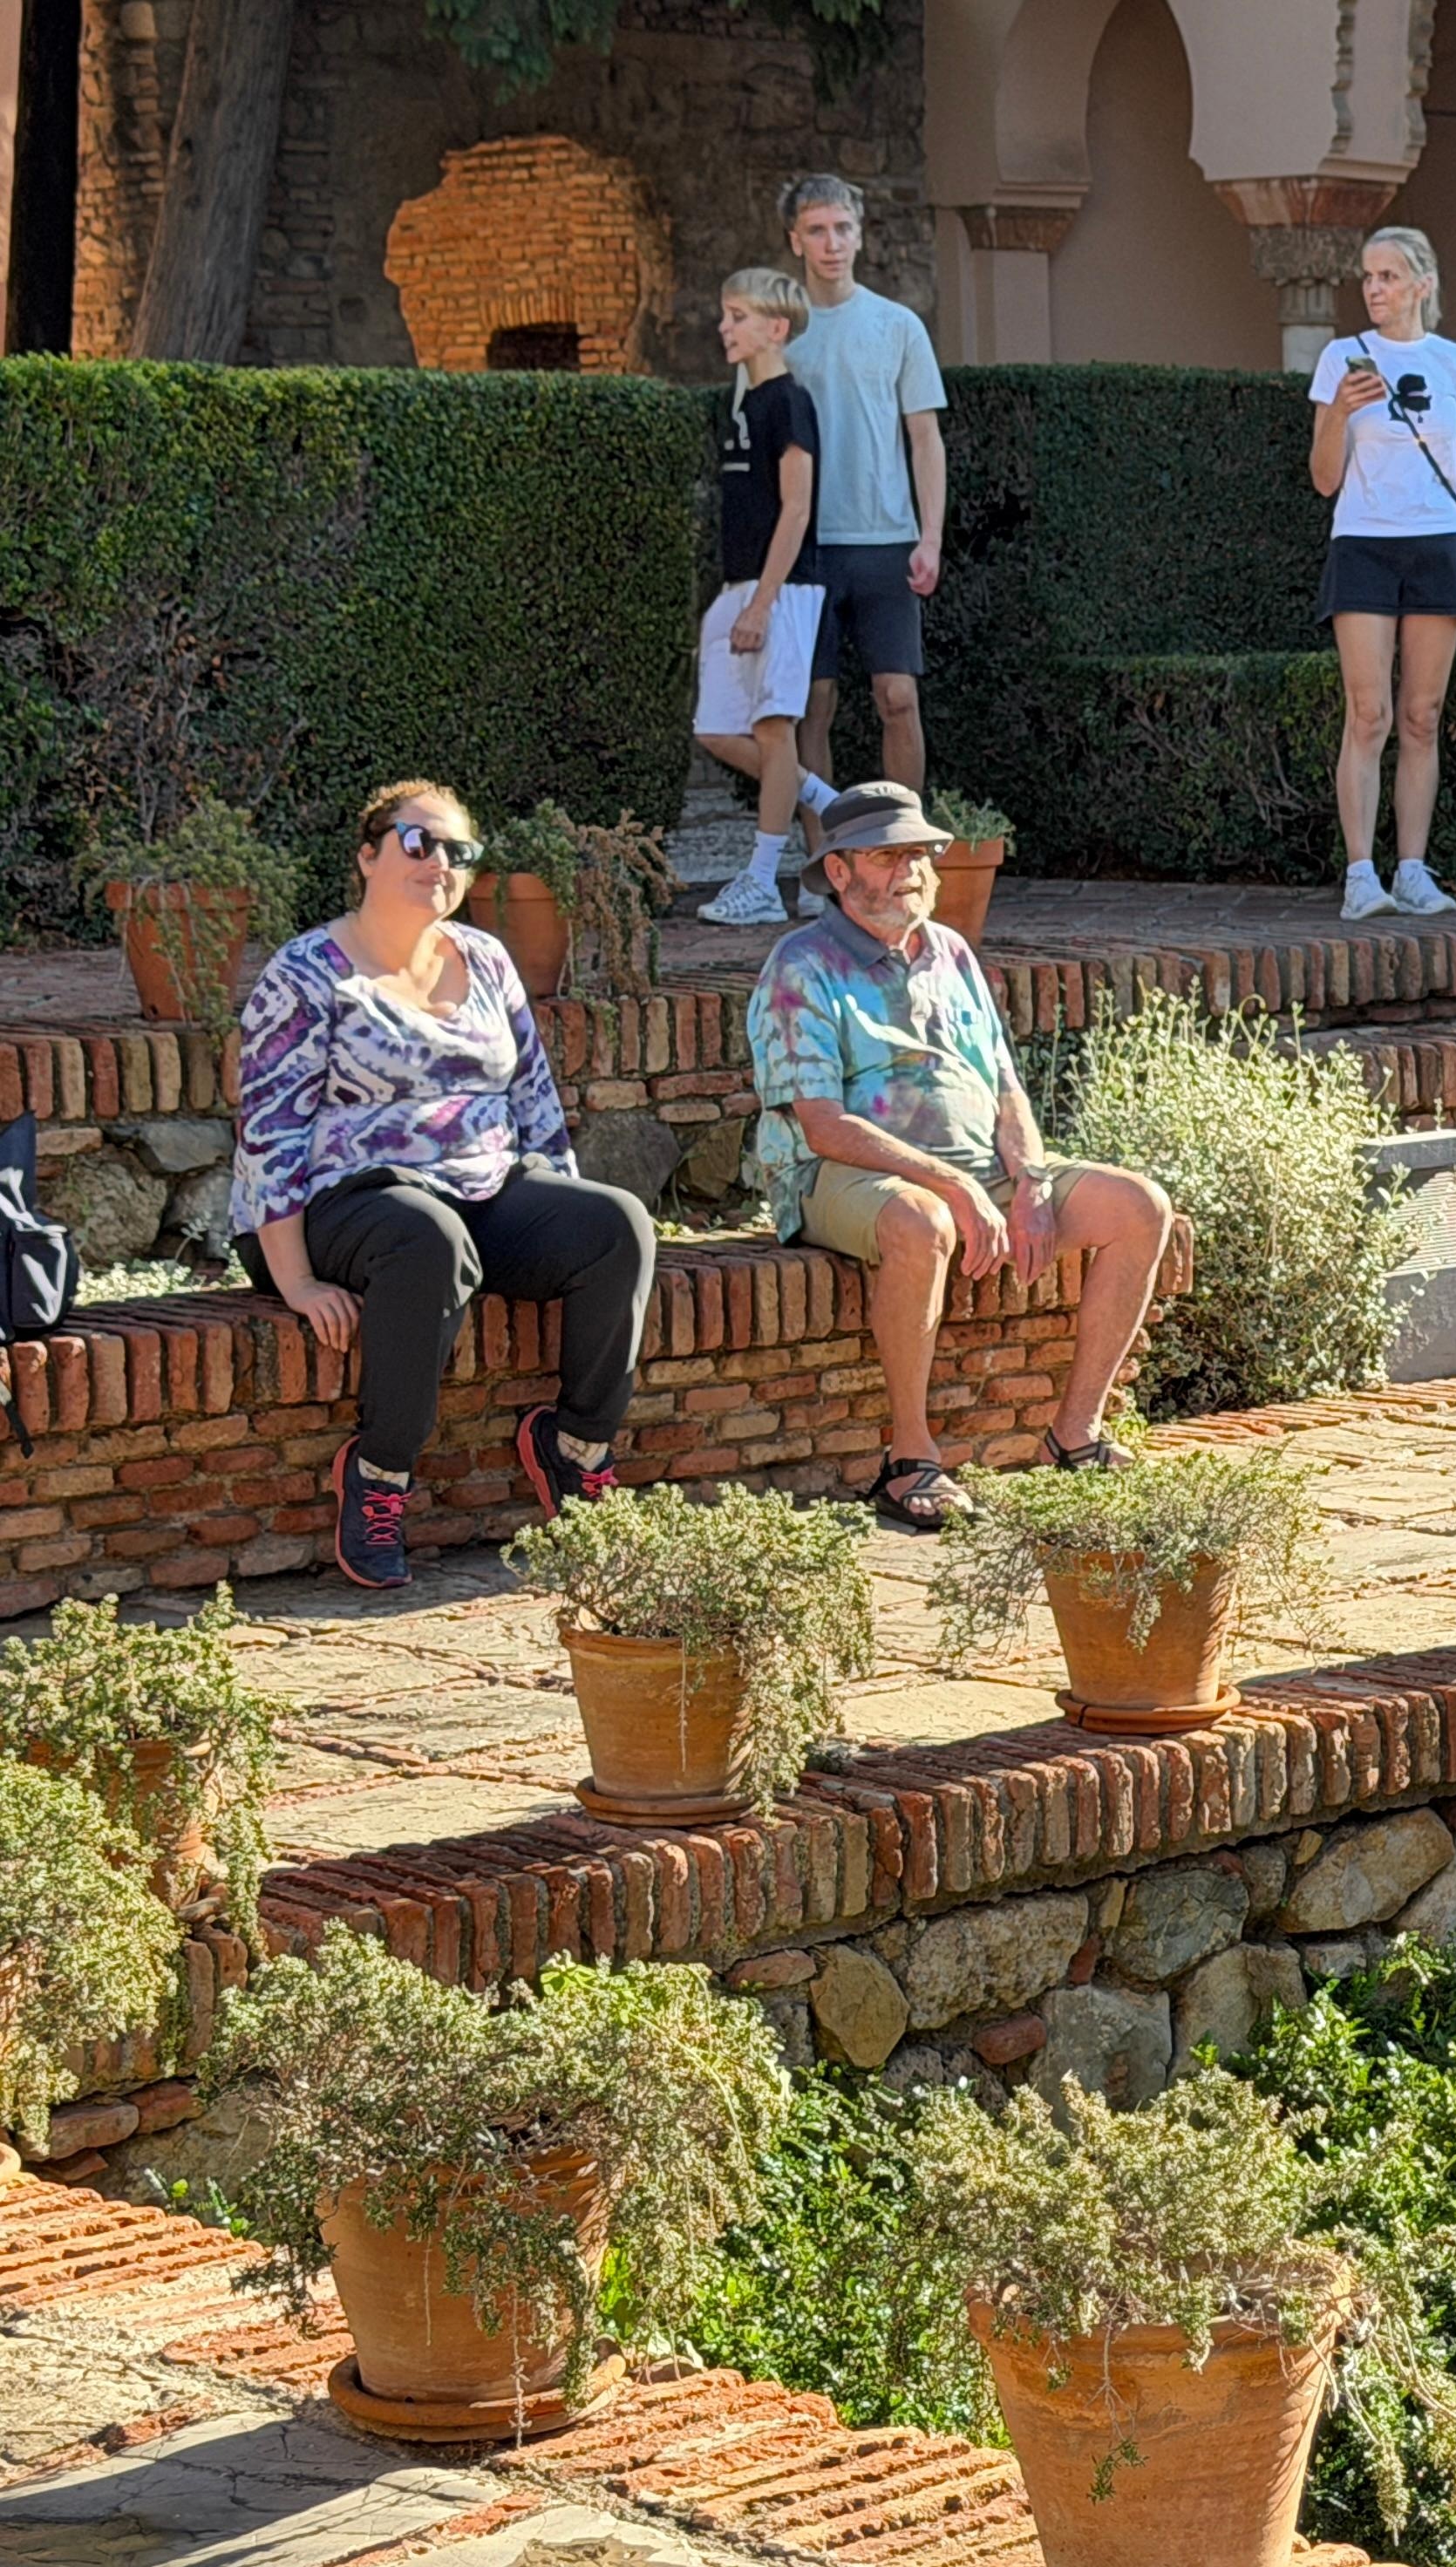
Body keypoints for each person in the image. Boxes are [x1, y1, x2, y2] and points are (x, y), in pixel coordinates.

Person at [232, 783, 658, 1590]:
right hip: (343, 1202)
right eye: (417, 842)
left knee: (618, 1224)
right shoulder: (308, 974)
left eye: (459, 852)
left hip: (482, 1188)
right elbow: (269, 1131)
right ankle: (380, 1476)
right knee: (427, 1236)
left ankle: (576, 1448)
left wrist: (556, 1206)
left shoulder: (487, 959)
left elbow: (532, 1095)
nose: (440, 864)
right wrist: (293, 1278)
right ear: (367, 854)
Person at [745, 783, 1174, 1531]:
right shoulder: (800, 965)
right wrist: (953, 1186)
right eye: (889, 854)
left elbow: (1004, 1082)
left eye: (918, 853)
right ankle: (909, 1460)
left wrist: (1032, 1180)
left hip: (977, 1170)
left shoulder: (949, 951)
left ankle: (1075, 1435)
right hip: (840, 1179)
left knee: (1139, 1207)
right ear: (839, 871)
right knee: (923, 1223)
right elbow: (821, 1124)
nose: (911, 869)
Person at [1308, 224, 1456, 923]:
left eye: (1388, 277)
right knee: (1367, 715)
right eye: (1367, 278)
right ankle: (1360, 875)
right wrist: (1339, 411)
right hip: (1363, 544)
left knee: (1422, 717)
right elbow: (1322, 479)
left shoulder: (1455, 362)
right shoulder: (1342, 357)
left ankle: (1412, 871)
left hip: (1438, 547)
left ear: (1422, 286)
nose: (1373, 289)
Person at [780, 174, 947, 915]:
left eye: (842, 229)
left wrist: (931, 535)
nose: (831, 244)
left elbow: (925, 437)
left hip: (885, 538)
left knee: (898, 698)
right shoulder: (777, 328)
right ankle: (828, 867)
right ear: (796, 241)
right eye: (817, 231)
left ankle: (900, 852)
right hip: (807, 545)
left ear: (860, 235)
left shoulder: (898, 327)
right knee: (811, 706)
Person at [693, 266, 848, 928]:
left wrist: (762, 603)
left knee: (772, 729)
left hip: (781, 591)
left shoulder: (790, 402)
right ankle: (837, 808)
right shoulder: (742, 405)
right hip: (740, 587)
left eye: (738, 316)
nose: (724, 327)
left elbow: (797, 510)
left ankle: (761, 880)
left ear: (775, 328)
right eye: (725, 315)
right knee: (715, 729)